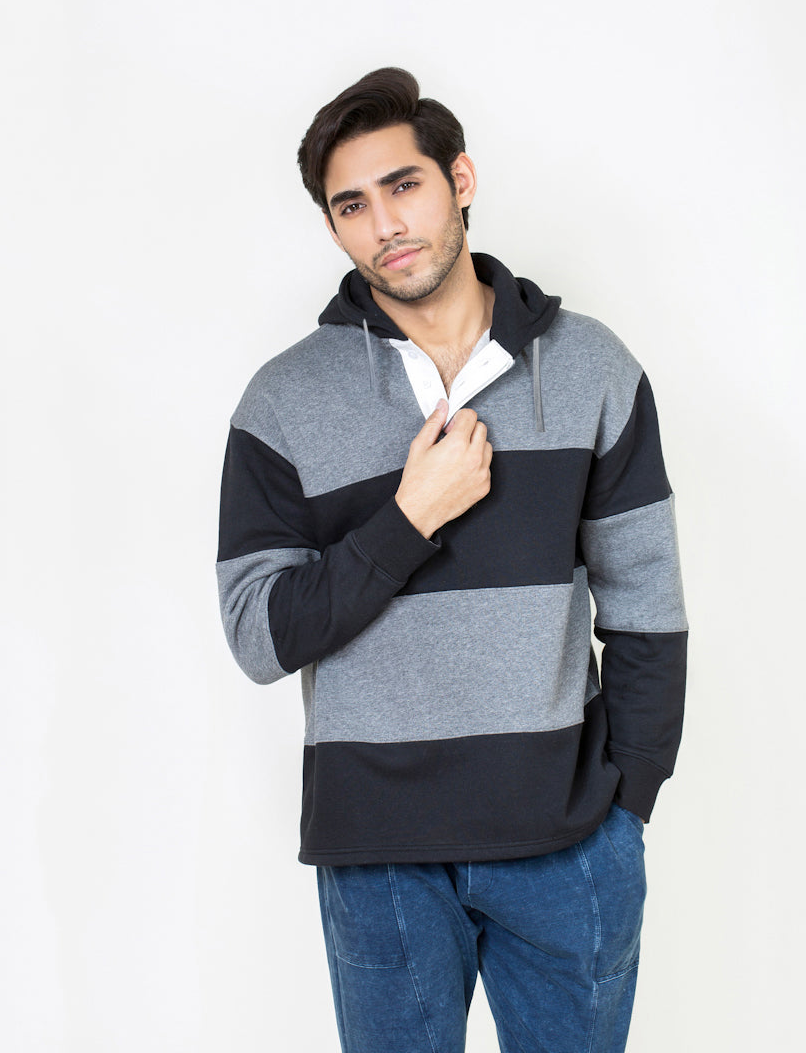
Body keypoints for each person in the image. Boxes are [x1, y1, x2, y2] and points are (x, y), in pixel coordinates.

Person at [216, 67, 687, 1053]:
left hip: (569, 849)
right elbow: (261, 637)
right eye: (352, 205)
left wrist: (628, 804)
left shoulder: (593, 369)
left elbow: (645, 602)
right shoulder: (282, 404)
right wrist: (407, 518)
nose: (385, 224)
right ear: (334, 228)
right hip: (380, 860)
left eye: (405, 185)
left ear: (459, 180)